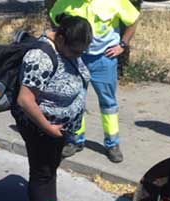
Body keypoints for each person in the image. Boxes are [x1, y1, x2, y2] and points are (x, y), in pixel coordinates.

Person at [13, 14, 92, 201]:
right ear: (59, 38)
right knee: (41, 172)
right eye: (75, 51)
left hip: (57, 127)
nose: (78, 56)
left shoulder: (64, 47)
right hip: (40, 127)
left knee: (51, 168)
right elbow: (25, 100)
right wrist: (48, 128)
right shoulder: (40, 57)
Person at [49, 0, 140, 163]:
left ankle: (112, 144)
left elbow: (133, 20)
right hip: (76, 58)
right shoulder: (67, 2)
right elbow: (55, 18)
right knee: (75, 99)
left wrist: (122, 45)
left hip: (104, 59)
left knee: (108, 103)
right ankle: (75, 140)